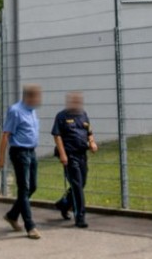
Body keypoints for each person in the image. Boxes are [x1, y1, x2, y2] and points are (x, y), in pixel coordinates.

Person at [0, 85, 43, 239]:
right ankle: (30, 226)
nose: (39, 100)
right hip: (20, 153)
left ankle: (12, 215)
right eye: (36, 97)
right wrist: (1, 157)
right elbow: (5, 135)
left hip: (31, 152)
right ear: (28, 97)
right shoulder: (15, 111)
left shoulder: (32, 110)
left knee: (32, 187)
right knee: (24, 189)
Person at [52, 92, 98, 228]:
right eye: (74, 101)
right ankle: (80, 217)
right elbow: (57, 136)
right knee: (77, 185)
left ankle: (64, 204)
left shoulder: (83, 115)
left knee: (81, 183)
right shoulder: (62, 116)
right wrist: (63, 155)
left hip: (82, 154)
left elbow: (89, 132)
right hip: (70, 155)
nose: (77, 103)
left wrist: (92, 143)